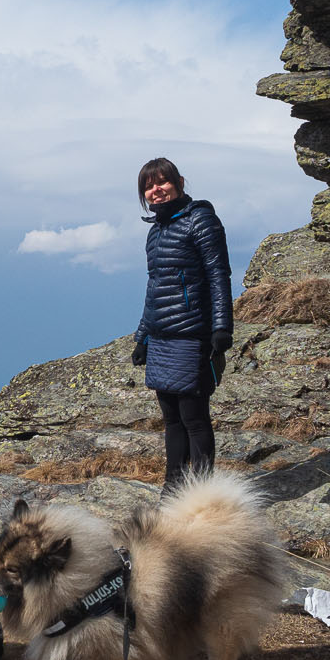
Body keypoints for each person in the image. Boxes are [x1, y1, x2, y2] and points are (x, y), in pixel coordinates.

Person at [129, 157, 233, 490]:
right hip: (161, 338)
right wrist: (143, 336)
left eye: (161, 182)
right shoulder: (155, 233)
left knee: (194, 418)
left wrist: (222, 328)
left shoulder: (201, 221)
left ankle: (201, 496)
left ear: (179, 182)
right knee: (172, 420)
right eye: (148, 185)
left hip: (192, 334)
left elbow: (219, 275)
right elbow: (154, 285)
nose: (155, 190)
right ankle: (173, 490)